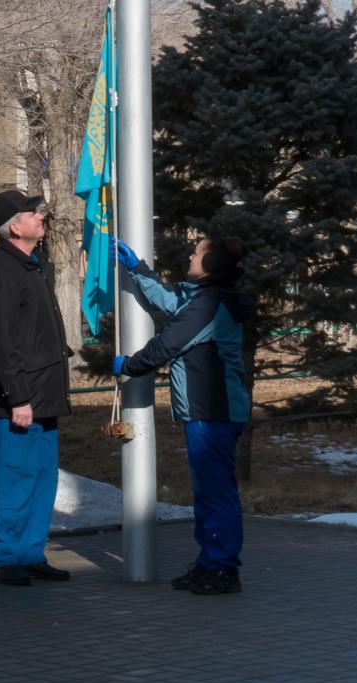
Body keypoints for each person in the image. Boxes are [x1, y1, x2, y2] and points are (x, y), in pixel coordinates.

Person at [112, 236, 252, 595]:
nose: (190, 255)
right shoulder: (204, 299)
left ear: (211, 264)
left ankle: (223, 568)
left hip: (213, 411)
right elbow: (171, 302)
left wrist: (128, 365)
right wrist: (138, 269)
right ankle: (209, 562)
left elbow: (167, 344)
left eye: (197, 252)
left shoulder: (208, 304)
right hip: (208, 411)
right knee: (207, 491)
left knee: (216, 493)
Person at [0, 189, 73, 587]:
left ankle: (31, 552)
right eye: (33, 214)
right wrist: (17, 397)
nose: (40, 217)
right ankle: (7, 557)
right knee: (14, 478)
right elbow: (1, 343)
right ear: (14, 227)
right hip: (21, 400)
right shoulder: (1, 272)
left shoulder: (32, 265)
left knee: (42, 478)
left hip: (44, 394)